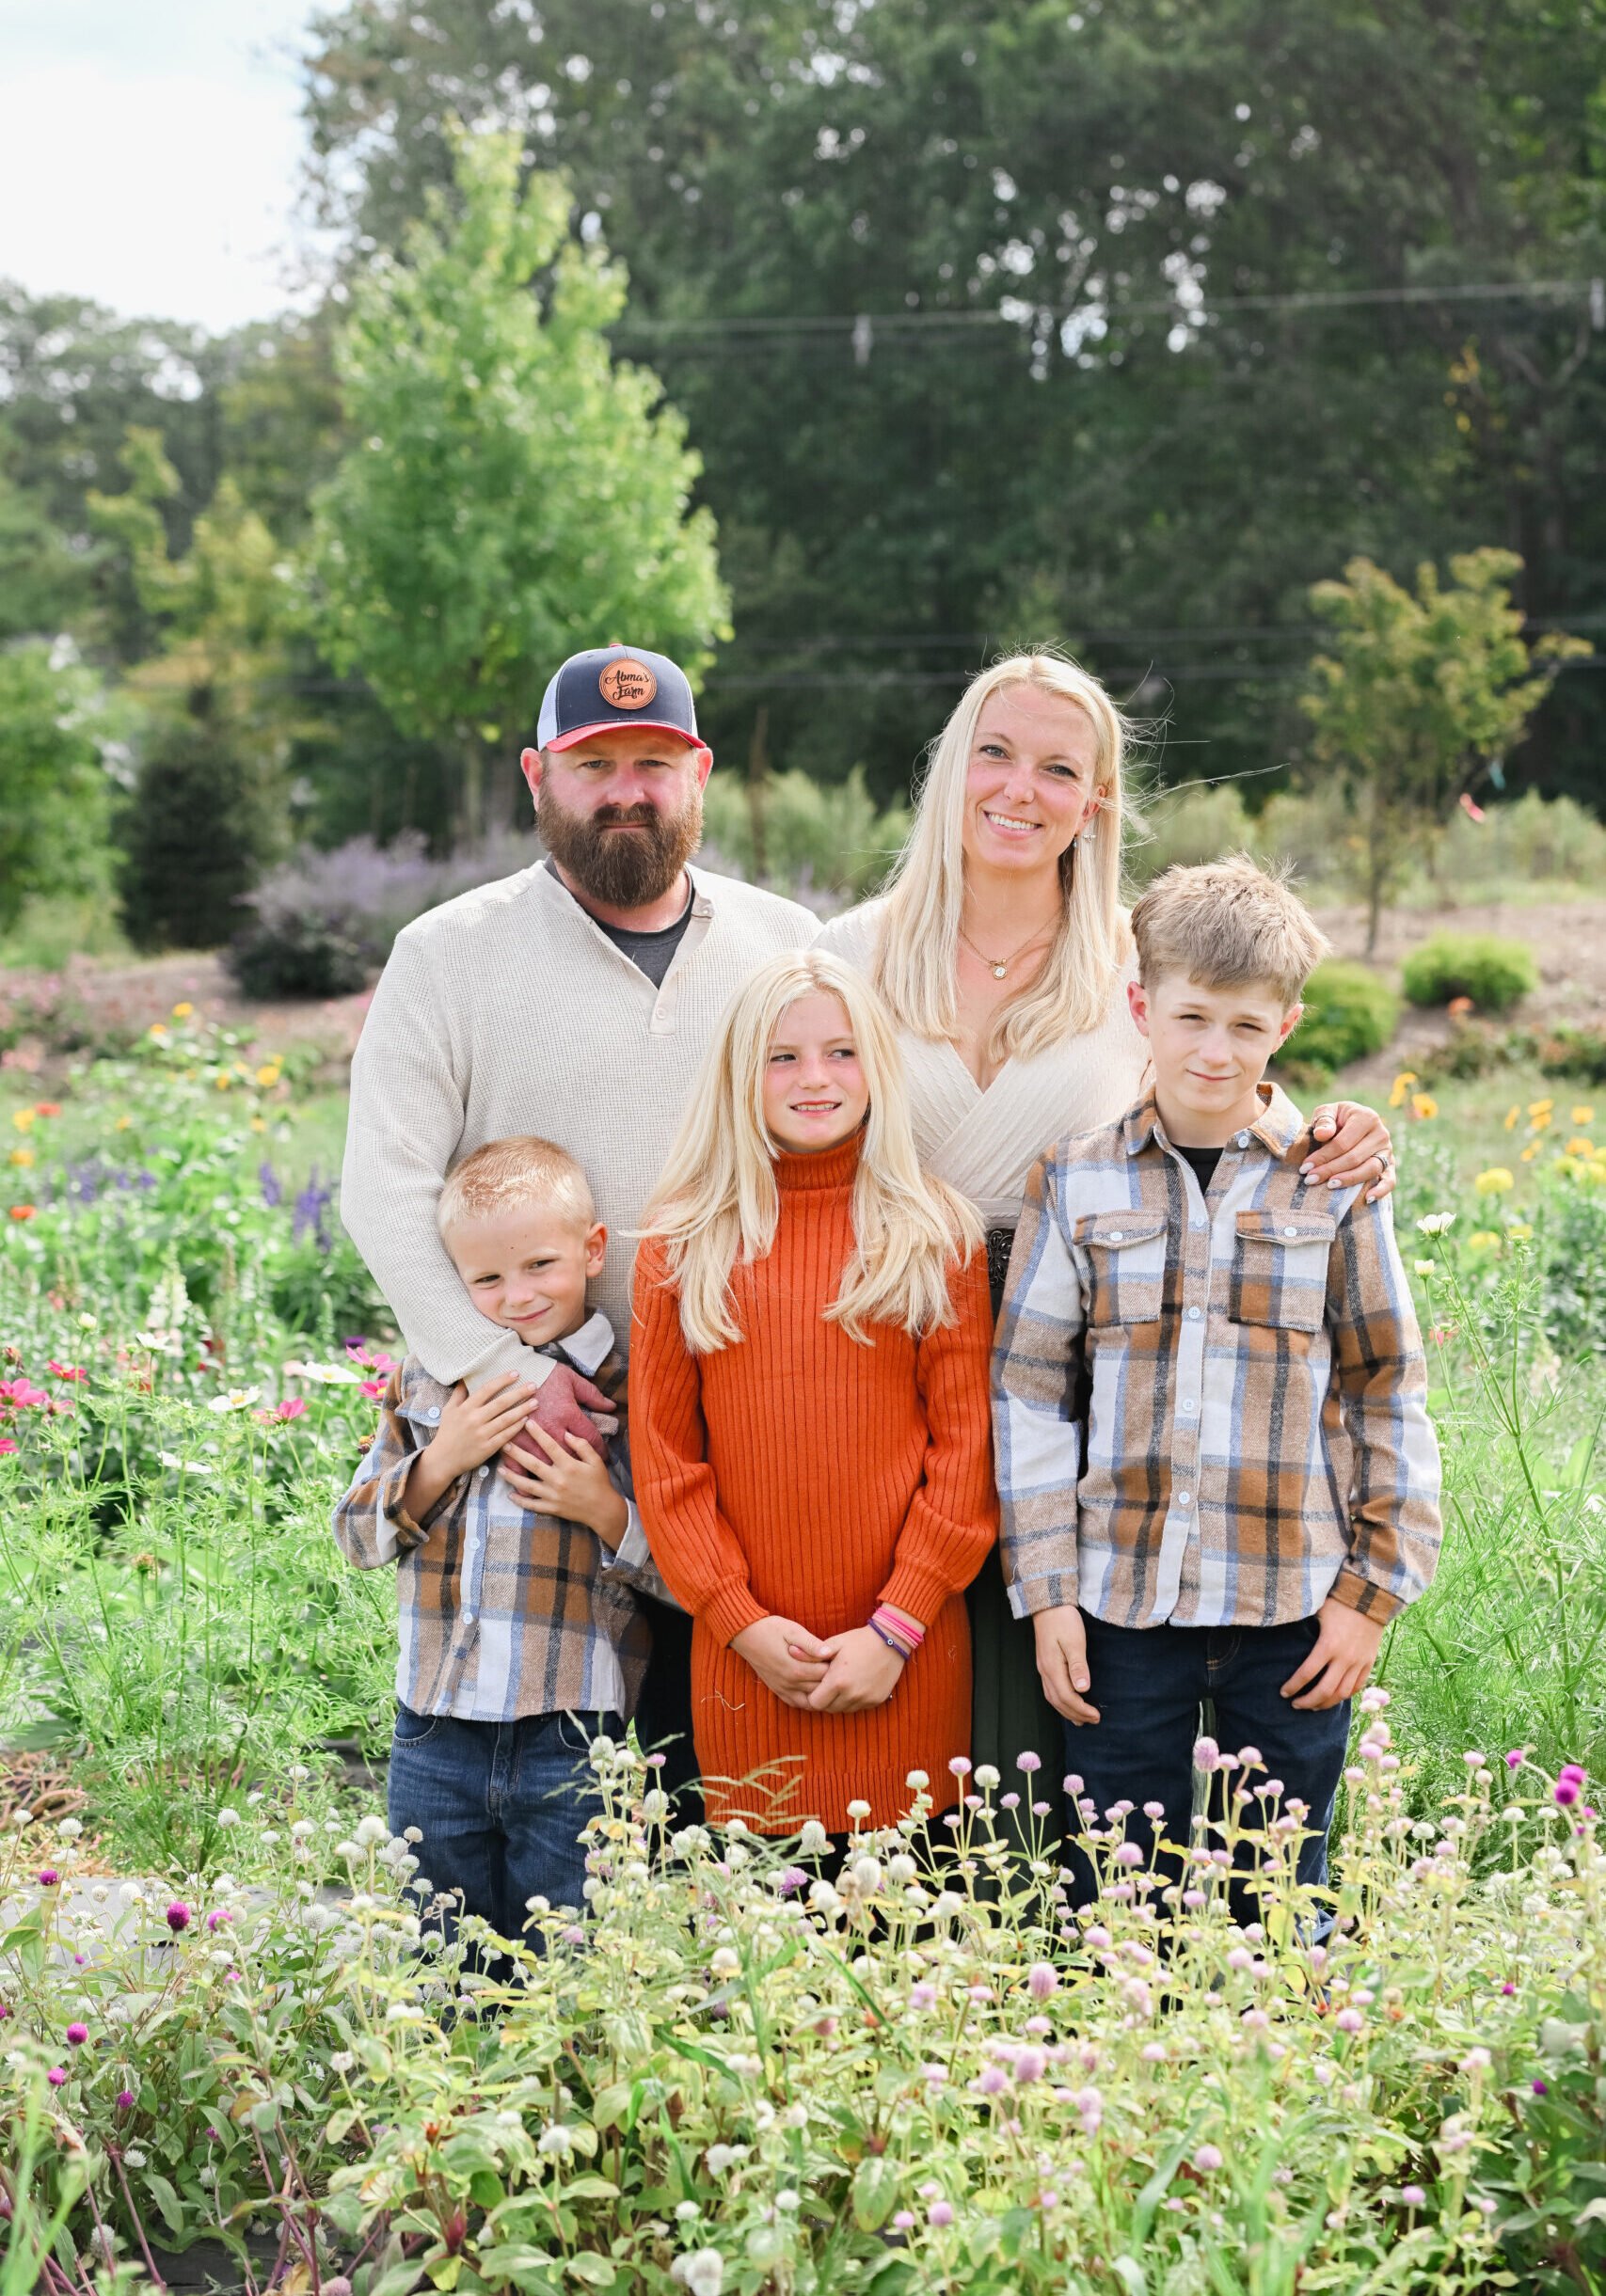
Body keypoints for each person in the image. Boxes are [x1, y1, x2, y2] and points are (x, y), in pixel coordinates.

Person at [815, 651, 1399, 1785]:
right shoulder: (848, 955)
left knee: (1070, 1714)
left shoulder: (1140, 961)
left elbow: (1225, 1097)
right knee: (896, 1699)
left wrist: (1340, 1131)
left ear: (1096, 799)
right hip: (888, 1357)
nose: (1019, 788)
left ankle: (1050, 1892)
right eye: (994, 752)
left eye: (1058, 767)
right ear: (950, 765)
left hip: (1092, 1381)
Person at [342, 643, 819, 1808]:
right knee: (555, 1771)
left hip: (748, 1408)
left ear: (699, 773)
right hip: (553, 1426)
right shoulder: (448, 953)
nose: (627, 790)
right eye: (593, 763)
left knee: (750, 1763)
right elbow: (382, 1187)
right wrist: (503, 1369)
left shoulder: (789, 943)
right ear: (536, 775)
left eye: (654, 761)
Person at [992, 858, 1443, 1909]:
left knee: (1277, 1902)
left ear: (1285, 1024)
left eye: (1245, 1026)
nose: (1214, 1050)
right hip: (1119, 1610)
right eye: (1191, 1017)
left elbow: (1387, 1386)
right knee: (1117, 1899)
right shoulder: (1075, 1178)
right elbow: (1029, 1394)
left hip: (1292, 1607)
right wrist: (1048, 1594)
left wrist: (1370, 1600)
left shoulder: (1331, 1183)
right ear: (1141, 1008)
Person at [628, 950, 998, 1839]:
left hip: (904, 1660)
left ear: (877, 1066)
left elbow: (965, 1457)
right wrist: (740, 1623)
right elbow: (667, 1469)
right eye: (782, 1057)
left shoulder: (933, 1234)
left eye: (841, 1052)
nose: (815, 1078)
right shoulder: (682, 1245)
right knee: (758, 1917)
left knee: (910, 1910)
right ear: (739, 1074)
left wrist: (896, 1627)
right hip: (747, 1665)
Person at [333, 1135, 669, 1933]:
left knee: (564, 1956)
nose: (516, 1296)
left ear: (592, 1251)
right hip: (435, 1725)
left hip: (573, 1729)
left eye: (539, 1265)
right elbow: (355, 1537)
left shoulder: (627, 1385)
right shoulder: (428, 1381)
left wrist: (603, 1508)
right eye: (485, 1279)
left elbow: (684, 1568)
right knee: (438, 1952)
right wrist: (440, 1458)